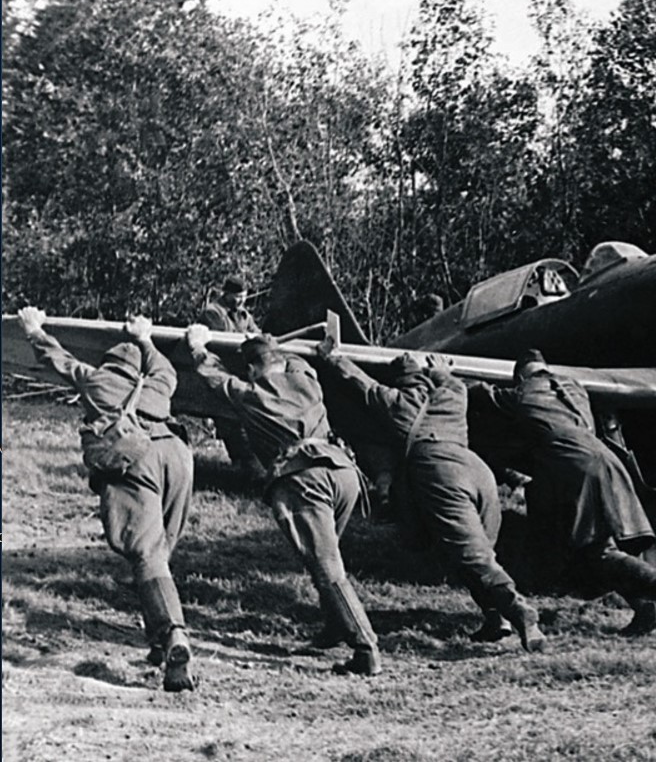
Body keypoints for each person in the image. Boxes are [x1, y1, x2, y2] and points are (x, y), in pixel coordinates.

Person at [314, 341, 545, 650]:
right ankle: (496, 619)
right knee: (481, 551)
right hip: (477, 469)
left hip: (439, 470)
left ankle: (520, 612)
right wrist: (440, 371)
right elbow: (451, 380)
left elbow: (360, 382)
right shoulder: (453, 394)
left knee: (471, 555)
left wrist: (332, 357)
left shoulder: (395, 401)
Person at [17, 307, 196, 692]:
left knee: (146, 553)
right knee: (160, 550)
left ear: (110, 363)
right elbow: (161, 363)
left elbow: (58, 358)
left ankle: (173, 636)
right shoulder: (161, 380)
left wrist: (34, 329)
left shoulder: (97, 379)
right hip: (177, 456)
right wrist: (145, 337)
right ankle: (157, 641)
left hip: (136, 458)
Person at [185, 327, 382, 674]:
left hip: (303, 479)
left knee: (325, 565)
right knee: (326, 555)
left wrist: (198, 345)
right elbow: (295, 363)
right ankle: (337, 625)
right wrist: (272, 343)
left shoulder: (250, 394)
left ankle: (366, 648)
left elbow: (213, 375)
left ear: (250, 369)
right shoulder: (308, 379)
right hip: (344, 474)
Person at [475, 349, 656, 640]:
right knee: (607, 547)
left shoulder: (522, 394)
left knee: (594, 552)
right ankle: (644, 611)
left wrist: (446, 377)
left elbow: (482, 395)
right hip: (608, 462)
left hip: (575, 470)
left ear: (521, 375)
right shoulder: (575, 388)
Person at [199, 274, 263, 480]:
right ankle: (244, 461)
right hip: (217, 368)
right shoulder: (213, 312)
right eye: (236, 297)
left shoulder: (244, 315)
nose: (241, 301)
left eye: (243, 297)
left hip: (240, 370)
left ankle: (251, 460)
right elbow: (222, 341)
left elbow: (258, 335)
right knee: (229, 413)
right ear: (225, 294)